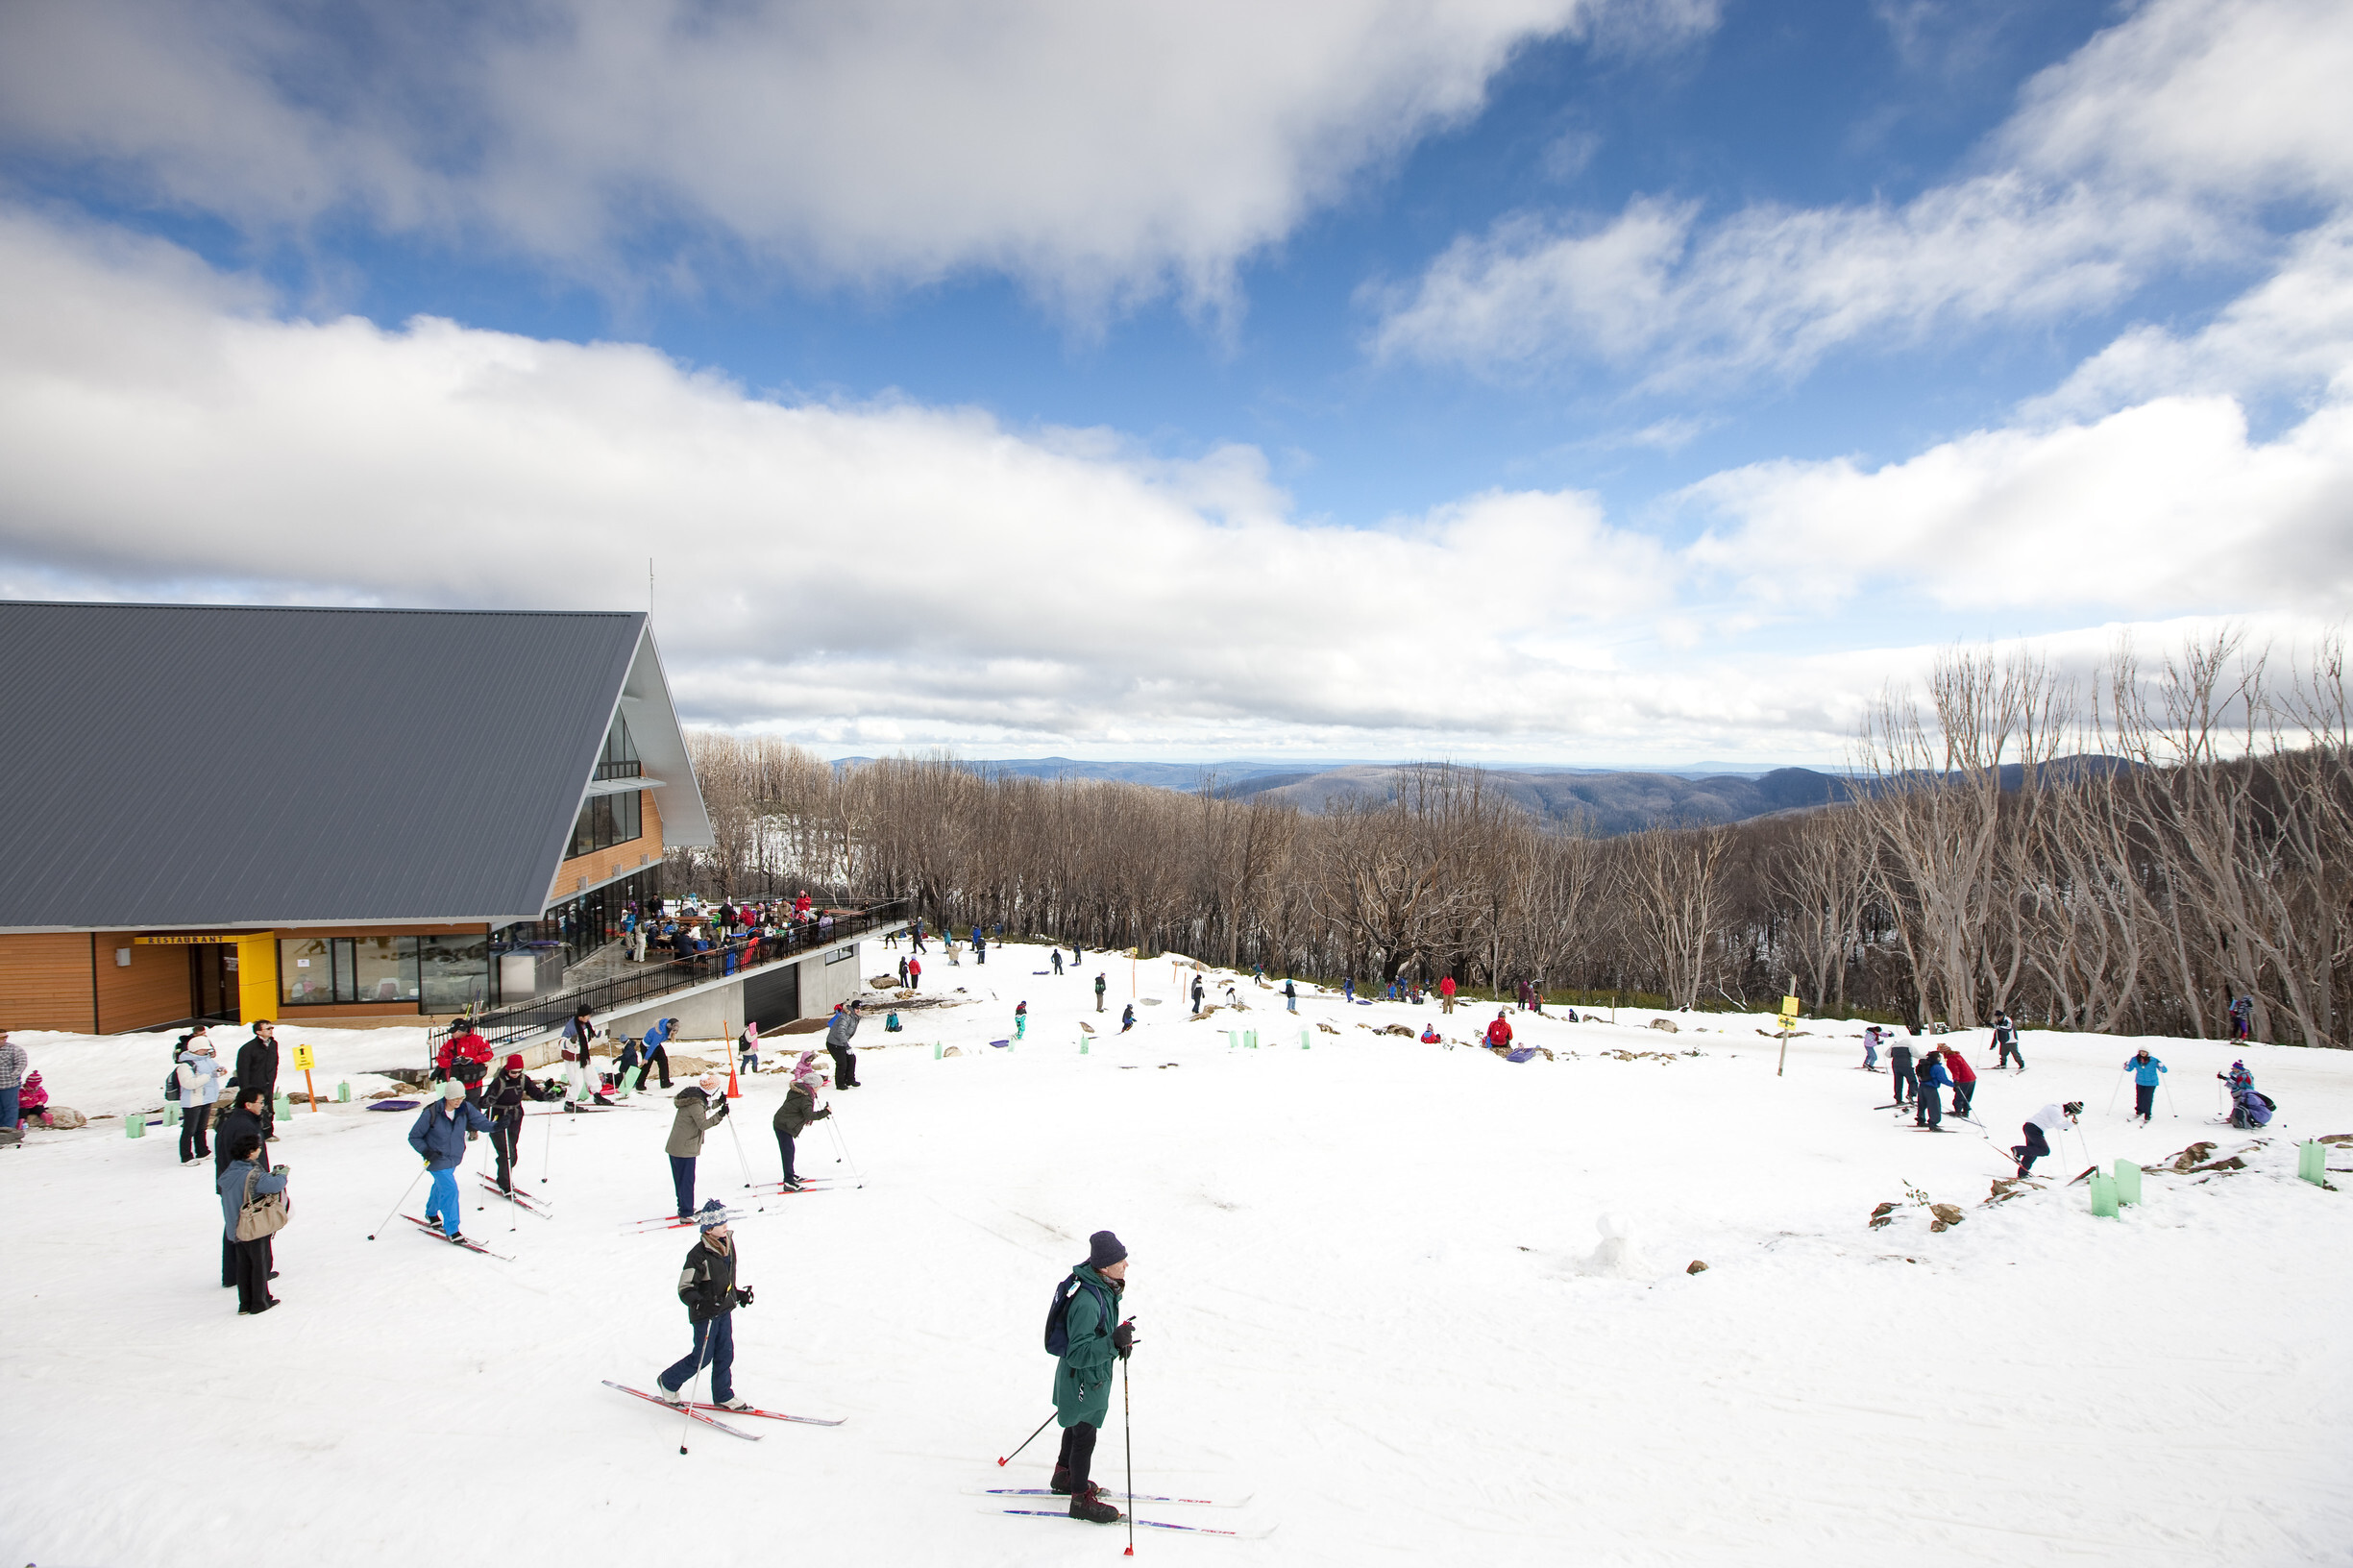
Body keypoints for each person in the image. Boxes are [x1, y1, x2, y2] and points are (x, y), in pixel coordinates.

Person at [1049, 1231, 1135, 1524]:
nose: (1125, 1265)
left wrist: (1117, 1341)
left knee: (1075, 1425)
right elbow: (1077, 1353)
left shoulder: (1102, 1287)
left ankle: (1064, 1474)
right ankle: (1079, 1500)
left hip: (1084, 1378)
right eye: (1120, 1261)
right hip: (1082, 1380)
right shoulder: (1088, 1300)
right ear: (1104, 1266)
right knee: (1084, 1435)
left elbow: (1098, 1335)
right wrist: (1111, 1343)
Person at [655, 1201, 753, 1408]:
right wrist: (699, 1304)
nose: (725, 1225)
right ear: (708, 1228)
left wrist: (737, 1294)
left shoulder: (727, 1243)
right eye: (720, 1222)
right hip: (705, 1315)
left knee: (725, 1353)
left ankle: (723, 1394)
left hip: (724, 1310)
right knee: (702, 1357)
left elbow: (724, 1280)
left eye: (725, 1220)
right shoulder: (698, 1256)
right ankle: (668, 1381)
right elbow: (685, 1287)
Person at [408, 1080, 493, 1240]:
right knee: (450, 1190)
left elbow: (481, 1122)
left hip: (454, 1157)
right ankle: (452, 1229)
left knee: (441, 1186)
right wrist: (426, 1151)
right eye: (455, 1098)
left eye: (461, 1097)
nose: (458, 1101)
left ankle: (431, 1213)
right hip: (436, 1159)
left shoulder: (464, 1108)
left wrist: (496, 1126)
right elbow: (414, 1136)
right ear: (447, 1097)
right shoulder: (432, 1113)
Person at [216, 1132, 287, 1315]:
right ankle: (260, 1301)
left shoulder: (230, 1171)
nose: (260, 1150)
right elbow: (274, 1186)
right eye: (257, 1148)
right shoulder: (252, 1174)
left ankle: (245, 1303)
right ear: (249, 1152)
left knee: (244, 1265)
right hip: (253, 1226)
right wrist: (282, 1175)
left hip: (235, 1227)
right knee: (259, 1264)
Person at [665, 1073, 730, 1222]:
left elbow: (704, 1106)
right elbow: (703, 1124)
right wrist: (720, 1115)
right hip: (684, 1148)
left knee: (681, 1179)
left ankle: (684, 1207)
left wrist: (718, 1102)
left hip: (677, 1146)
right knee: (686, 1180)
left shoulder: (695, 1098)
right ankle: (686, 1213)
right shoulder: (696, 1103)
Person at [485, 1054, 550, 1194]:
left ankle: (504, 1173)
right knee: (506, 1152)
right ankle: (504, 1183)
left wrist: (545, 1096)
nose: (516, 1075)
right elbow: (484, 1100)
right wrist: (488, 1101)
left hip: (515, 1116)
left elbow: (535, 1093)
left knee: (512, 1151)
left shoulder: (522, 1079)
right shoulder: (499, 1081)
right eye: (513, 1072)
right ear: (507, 1069)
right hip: (498, 1117)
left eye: (519, 1071)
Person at [772, 1055, 830, 1189]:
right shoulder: (805, 1097)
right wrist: (825, 1112)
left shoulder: (801, 1092)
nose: (819, 1089)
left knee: (790, 1150)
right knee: (788, 1151)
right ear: (813, 1086)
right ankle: (788, 1181)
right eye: (818, 1087)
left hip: (782, 1122)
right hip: (784, 1125)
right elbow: (809, 1115)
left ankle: (791, 1175)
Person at [176, 1033, 227, 1164]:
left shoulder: (207, 1060)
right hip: (192, 1100)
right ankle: (186, 1156)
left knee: (201, 1127)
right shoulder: (185, 1065)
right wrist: (209, 1076)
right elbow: (189, 1083)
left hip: (206, 1098)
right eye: (203, 1049)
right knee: (189, 1129)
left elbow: (215, 1070)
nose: (206, 1051)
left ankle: (202, 1150)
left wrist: (220, 1071)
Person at [231, 1019, 281, 1139]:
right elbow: (243, 1070)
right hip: (253, 1084)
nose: (271, 1031)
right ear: (258, 1032)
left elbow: (274, 1062)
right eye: (267, 1029)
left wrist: (272, 1077)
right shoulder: (248, 1048)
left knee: (268, 1107)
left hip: (268, 1082)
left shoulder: (273, 1044)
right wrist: (246, 1089)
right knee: (253, 1109)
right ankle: (252, 1132)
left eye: (272, 1028)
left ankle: (268, 1132)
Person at [2014, 1101, 2083, 1177]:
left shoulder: (2055, 1108)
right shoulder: (2056, 1111)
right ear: (2070, 1110)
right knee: (2044, 1150)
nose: (2068, 1115)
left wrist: (2066, 1124)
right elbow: (2059, 1126)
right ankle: (2018, 1150)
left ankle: (2023, 1173)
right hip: (2034, 1129)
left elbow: (2059, 1123)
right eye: (2071, 1114)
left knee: (2033, 1151)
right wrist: (2072, 1123)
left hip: (2031, 1127)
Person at [439, 1019, 494, 1106]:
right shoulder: (449, 1044)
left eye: (454, 1031)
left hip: (474, 1084)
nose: (452, 1034)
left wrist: (474, 1060)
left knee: (473, 1110)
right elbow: (440, 1060)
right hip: (455, 1085)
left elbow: (489, 1054)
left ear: (463, 1030)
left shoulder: (479, 1040)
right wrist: (451, 1061)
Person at [2123, 1049, 2167, 1123]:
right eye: (2141, 1051)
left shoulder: (2154, 1060)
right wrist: (2126, 1067)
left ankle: (2147, 1114)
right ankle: (2139, 1111)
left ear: (2148, 1053)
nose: (2143, 1053)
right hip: (2140, 1081)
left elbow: (2164, 1070)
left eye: (2145, 1052)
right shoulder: (2135, 1059)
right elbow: (2130, 1068)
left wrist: (2161, 1066)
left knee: (2148, 1098)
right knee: (2140, 1097)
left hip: (2151, 1083)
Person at [824, 1002, 861, 1089]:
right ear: (852, 1008)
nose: (858, 1010)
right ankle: (840, 1084)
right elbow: (841, 1031)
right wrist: (846, 1045)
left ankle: (850, 1079)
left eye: (860, 1008)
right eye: (857, 1008)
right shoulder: (846, 1017)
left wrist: (846, 1043)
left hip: (842, 1042)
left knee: (851, 1058)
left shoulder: (854, 1017)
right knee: (842, 1063)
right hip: (834, 1043)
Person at [1914, 1049, 1950, 1129]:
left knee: (1922, 1104)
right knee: (1934, 1106)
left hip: (1921, 1087)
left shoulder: (1923, 1065)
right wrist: (1954, 1085)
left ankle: (1921, 1119)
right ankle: (1933, 1123)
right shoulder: (1937, 1068)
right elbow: (1943, 1080)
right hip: (1931, 1089)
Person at [1942, 1044, 1978, 1119]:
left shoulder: (1951, 1059)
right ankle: (1966, 1111)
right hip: (1971, 1078)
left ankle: (1958, 1111)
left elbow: (1955, 1071)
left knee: (1959, 1096)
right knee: (1967, 1096)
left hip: (1964, 1079)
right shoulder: (1957, 1056)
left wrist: (1956, 1080)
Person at [0, 1028, 25, 1133]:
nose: (3, 1040)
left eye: (4, 1037)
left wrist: (13, 1075)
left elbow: (21, 1063)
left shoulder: (14, 1049)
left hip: (9, 1085)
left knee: (10, 1107)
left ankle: (9, 1129)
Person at [641, 1017, 677, 1090]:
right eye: (674, 1030)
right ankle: (640, 1084)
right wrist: (646, 1058)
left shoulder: (667, 1024)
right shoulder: (659, 1034)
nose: (675, 1031)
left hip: (657, 1045)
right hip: (647, 1047)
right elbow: (652, 1047)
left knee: (663, 1061)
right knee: (646, 1065)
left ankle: (665, 1082)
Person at [1888, 1037, 1916, 1109]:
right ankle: (1911, 1094)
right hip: (1906, 1066)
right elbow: (1917, 1055)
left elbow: (1887, 1054)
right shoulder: (1909, 1046)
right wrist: (1926, 1057)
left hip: (1895, 1066)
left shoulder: (1894, 1046)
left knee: (1898, 1082)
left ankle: (1898, 1099)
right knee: (1912, 1081)